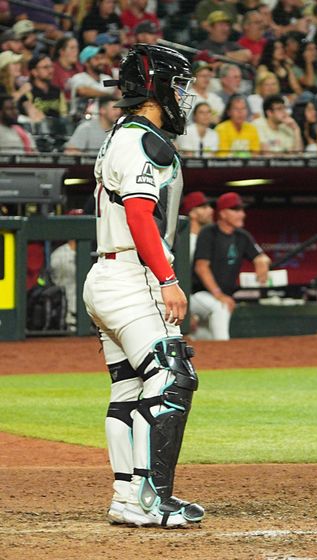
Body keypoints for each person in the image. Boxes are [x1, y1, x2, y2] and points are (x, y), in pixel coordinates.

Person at [81, 44, 204, 528]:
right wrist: (167, 279)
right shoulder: (142, 142)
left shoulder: (121, 135)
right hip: (132, 277)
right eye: (178, 86)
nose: (184, 96)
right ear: (156, 90)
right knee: (174, 378)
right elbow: (138, 216)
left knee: (130, 390)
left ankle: (127, 498)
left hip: (109, 276)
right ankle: (154, 499)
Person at [192, 192, 270, 341]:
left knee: (204, 338)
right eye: (236, 210)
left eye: (242, 210)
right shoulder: (209, 233)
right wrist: (218, 294)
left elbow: (260, 256)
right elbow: (201, 267)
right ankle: (225, 348)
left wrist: (262, 261)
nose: (242, 214)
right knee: (220, 308)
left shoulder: (242, 236)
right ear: (223, 213)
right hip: (197, 294)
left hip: (220, 297)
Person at [181, 191, 214, 261]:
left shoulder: (211, 238)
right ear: (192, 213)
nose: (211, 210)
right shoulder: (185, 242)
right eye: (204, 207)